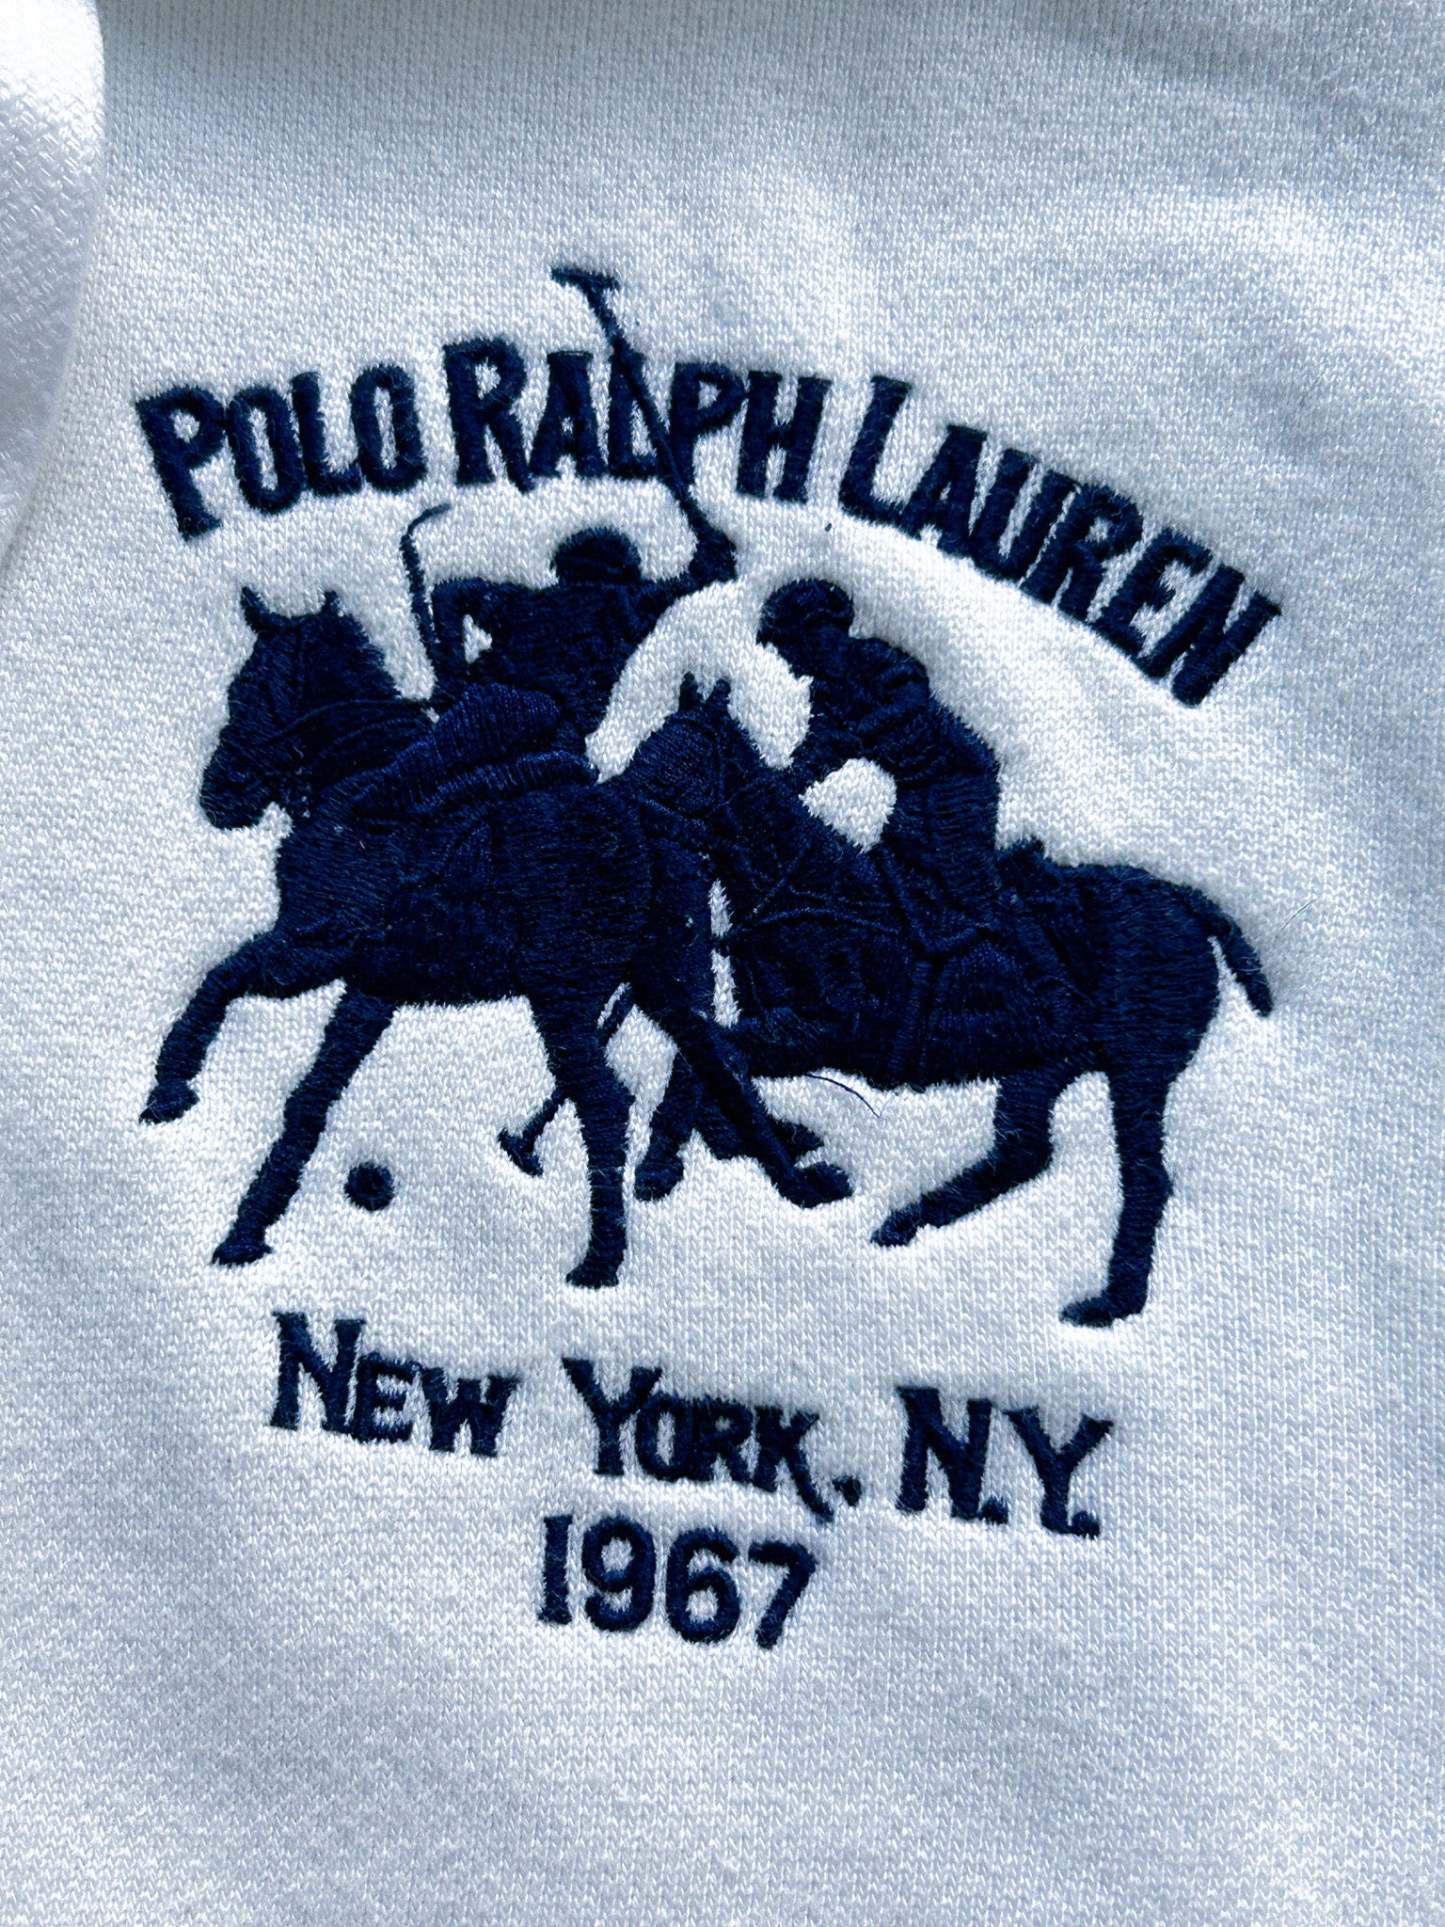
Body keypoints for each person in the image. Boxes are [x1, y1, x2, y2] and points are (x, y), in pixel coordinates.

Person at [427, 520, 737, 748]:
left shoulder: (524, 603)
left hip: (486, 714)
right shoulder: (628, 605)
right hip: (561, 733)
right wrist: (715, 540)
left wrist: (452, 674)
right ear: (626, 570)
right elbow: (704, 577)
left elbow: (449, 592)